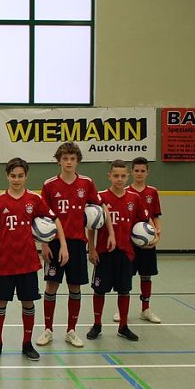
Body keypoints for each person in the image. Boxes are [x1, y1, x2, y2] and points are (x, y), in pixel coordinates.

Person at [0, 158, 67, 361]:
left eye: (20, 176)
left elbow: (55, 219)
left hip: (28, 262)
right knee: (0, 301)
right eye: (13, 176)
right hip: (5, 262)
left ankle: (27, 344)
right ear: (7, 176)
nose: (16, 179)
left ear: (26, 176)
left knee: (28, 302)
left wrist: (63, 245)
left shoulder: (34, 199)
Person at [36, 142, 114, 350]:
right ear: (59, 161)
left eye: (72, 159)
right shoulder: (49, 185)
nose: (69, 162)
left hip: (78, 243)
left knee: (75, 287)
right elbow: (42, 216)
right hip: (54, 243)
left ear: (77, 161)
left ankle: (71, 331)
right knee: (51, 286)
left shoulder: (86, 183)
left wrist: (111, 233)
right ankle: (48, 329)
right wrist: (44, 244)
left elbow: (102, 207)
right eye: (65, 159)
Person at [87, 160, 150, 342]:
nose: (119, 179)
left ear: (128, 176)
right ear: (109, 176)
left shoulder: (134, 199)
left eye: (123, 176)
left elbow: (143, 222)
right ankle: (97, 325)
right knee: (99, 290)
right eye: (116, 175)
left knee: (124, 291)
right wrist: (91, 248)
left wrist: (151, 236)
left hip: (126, 253)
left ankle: (123, 326)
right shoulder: (100, 198)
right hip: (104, 253)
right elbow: (91, 226)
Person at [112, 157, 163, 324]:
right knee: (125, 276)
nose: (139, 174)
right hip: (129, 243)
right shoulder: (125, 191)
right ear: (131, 172)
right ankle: (121, 310)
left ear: (147, 173)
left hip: (147, 241)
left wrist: (157, 235)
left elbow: (155, 216)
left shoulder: (152, 192)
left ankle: (145, 309)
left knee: (146, 275)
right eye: (136, 170)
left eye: (143, 171)